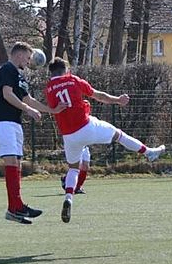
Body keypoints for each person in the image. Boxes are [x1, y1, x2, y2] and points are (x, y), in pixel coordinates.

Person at [45, 57, 165, 223]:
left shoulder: (49, 88)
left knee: (73, 169)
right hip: (86, 126)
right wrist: (118, 100)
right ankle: (148, 152)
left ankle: (68, 198)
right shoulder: (73, 80)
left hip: (68, 135)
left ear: (51, 72)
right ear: (65, 70)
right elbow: (99, 96)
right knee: (118, 135)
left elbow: (54, 109)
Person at [0, 42, 63, 225]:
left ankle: (16, 206)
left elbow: (27, 99)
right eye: (28, 58)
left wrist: (51, 110)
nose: (29, 61)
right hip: (3, 121)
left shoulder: (18, 74)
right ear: (20, 55)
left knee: (16, 163)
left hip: (13, 123)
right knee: (11, 162)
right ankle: (15, 207)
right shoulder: (7, 70)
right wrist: (27, 109)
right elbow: (7, 94)